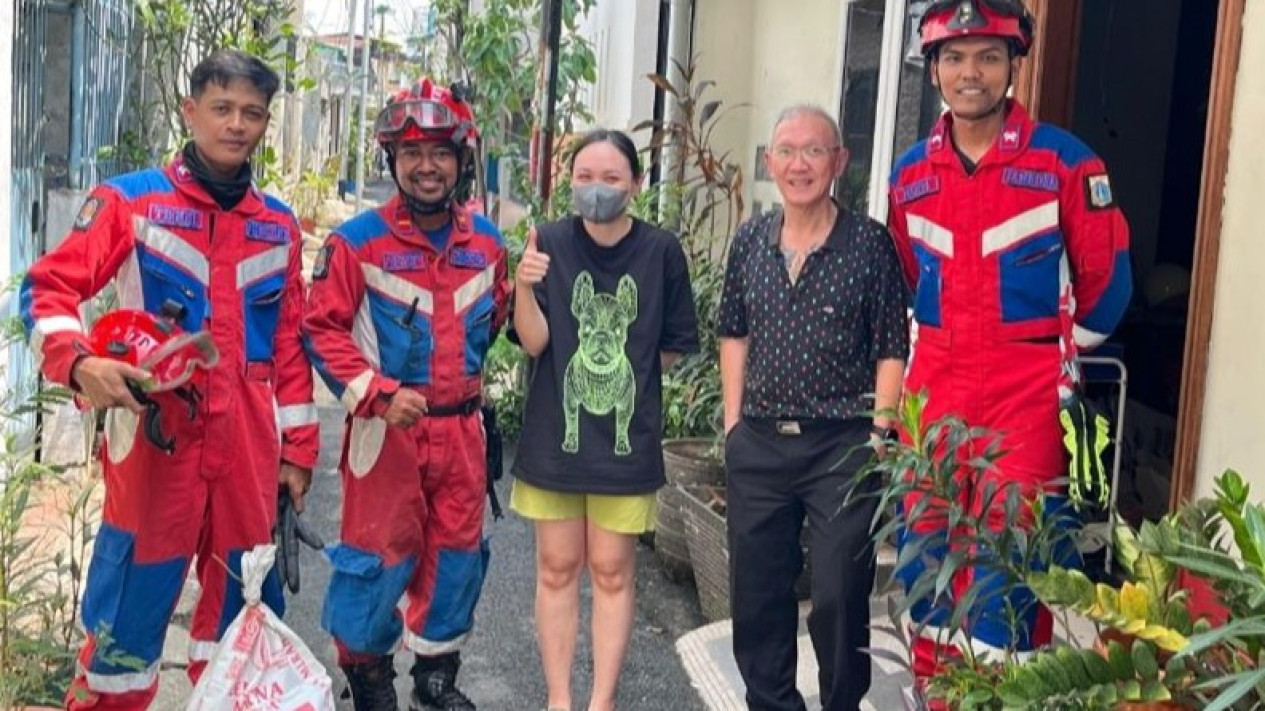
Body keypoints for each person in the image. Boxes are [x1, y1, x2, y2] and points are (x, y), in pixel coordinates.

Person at [19, 49, 319, 710]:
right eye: (222, 108)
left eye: (252, 113)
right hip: (157, 448)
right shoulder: (129, 203)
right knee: (124, 630)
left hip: (246, 455)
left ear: (266, 122)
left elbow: (291, 347)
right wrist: (80, 362)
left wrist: (297, 451)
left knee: (244, 620)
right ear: (191, 111)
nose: (236, 124)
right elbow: (45, 291)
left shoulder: (277, 225)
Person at [886, 0, 1133, 695]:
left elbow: (1108, 283)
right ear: (933, 69)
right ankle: (936, 696)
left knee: (1012, 571)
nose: (971, 73)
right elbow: (906, 279)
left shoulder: (1065, 163)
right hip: (932, 396)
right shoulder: (908, 175)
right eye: (956, 58)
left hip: (1024, 402)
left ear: (1013, 66)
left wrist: (1059, 357)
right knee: (924, 561)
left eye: (988, 57)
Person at [301, 77, 509, 711]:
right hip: (385, 431)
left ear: (461, 161)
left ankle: (436, 677)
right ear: (392, 160)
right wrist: (380, 394)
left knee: (456, 558)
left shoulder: (488, 247)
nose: (427, 167)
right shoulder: (358, 243)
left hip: (462, 435)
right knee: (374, 557)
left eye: (441, 153)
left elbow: (495, 322)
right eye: (412, 153)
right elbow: (321, 328)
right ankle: (367, 679)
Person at [717, 105, 909, 711]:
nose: (800, 164)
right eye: (787, 151)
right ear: (771, 162)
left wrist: (879, 436)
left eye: (815, 151)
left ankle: (840, 704)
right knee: (758, 594)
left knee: (838, 594)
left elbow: (890, 346)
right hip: (761, 440)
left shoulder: (869, 244)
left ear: (839, 162)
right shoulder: (751, 238)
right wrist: (733, 426)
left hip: (841, 446)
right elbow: (733, 331)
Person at [510, 129, 699, 711]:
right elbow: (535, 342)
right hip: (554, 434)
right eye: (585, 178)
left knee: (613, 570)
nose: (597, 190)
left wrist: (630, 378)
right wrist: (524, 284)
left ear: (636, 186)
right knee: (557, 565)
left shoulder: (661, 251)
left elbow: (668, 345)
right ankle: (561, 698)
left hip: (623, 439)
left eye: (611, 179)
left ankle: (603, 701)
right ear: (570, 182)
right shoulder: (549, 243)